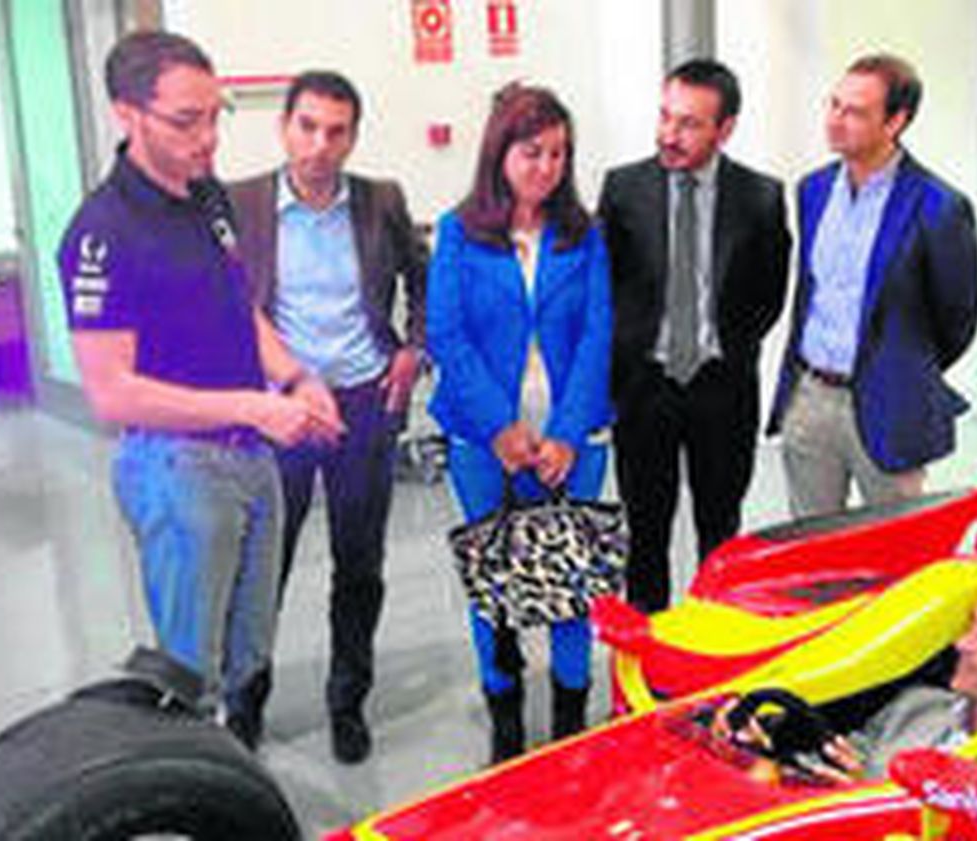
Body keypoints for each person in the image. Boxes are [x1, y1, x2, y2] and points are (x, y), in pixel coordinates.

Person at [58, 31, 343, 749]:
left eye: (216, 115)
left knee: (248, 655)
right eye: (187, 121)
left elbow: (238, 312)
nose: (208, 137)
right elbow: (111, 392)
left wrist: (296, 376)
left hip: (251, 457)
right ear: (127, 113)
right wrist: (250, 404)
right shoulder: (102, 231)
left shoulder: (207, 196)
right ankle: (188, 786)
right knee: (190, 672)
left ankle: (222, 769)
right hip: (177, 466)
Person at [228, 70, 428, 763]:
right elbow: (222, 300)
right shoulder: (239, 202)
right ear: (284, 125)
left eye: (335, 131)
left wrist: (413, 348)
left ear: (353, 137)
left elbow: (423, 275)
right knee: (262, 566)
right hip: (282, 408)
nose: (319, 145)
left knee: (360, 563)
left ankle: (348, 700)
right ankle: (245, 699)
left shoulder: (381, 201)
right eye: (307, 126)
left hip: (363, 405)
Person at [427, 83, 612, 764]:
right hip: (485, 440)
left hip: (575, 437)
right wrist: (502, 427)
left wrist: (565, 431)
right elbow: (446, 334)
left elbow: (598, 335)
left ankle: (570, 715)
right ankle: (505, 716)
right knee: (494, 578)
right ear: (500, 151)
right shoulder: (457, 232)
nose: (546, 166)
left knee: (569, 579)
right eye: (532, 151)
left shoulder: (584, 236)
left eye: (559, 153)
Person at [598, 59, 792, 614]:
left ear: (724, 129)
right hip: (644, 390)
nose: (668, 134)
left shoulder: (760, 198)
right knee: (646, 533)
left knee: (720, 532)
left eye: (688, 124)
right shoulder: (624, 188)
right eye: (664, 116)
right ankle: (649, 655)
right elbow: (607, 286)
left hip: (721, 392)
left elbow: (769, 295)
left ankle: (712, 648)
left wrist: (726, 347)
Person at [768, 53, 977, 519]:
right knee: (809, 556)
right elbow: (809, 292)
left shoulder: (939, 207)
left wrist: (903, 367)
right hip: (810, 398)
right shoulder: (813, 191)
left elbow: (958, 320)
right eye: (834, 105)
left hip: (891, 406)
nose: (836, 121)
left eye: (856, 112)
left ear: (896, 122)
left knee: (896, 556)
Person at [717, 572, 977, 782]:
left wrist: (866, 799)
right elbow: (842, 760)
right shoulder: (915, 707)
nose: (963, 644)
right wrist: (761, 745)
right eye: (972, 625)